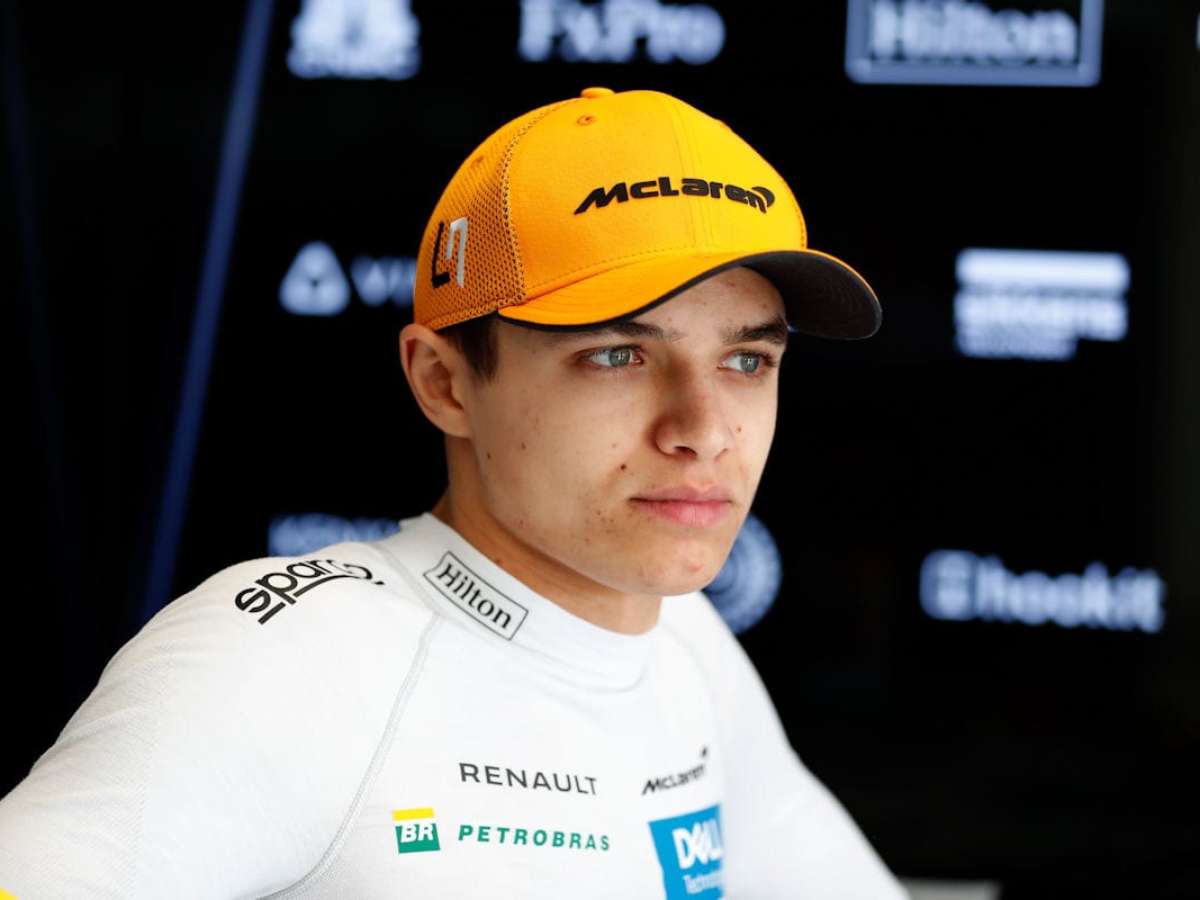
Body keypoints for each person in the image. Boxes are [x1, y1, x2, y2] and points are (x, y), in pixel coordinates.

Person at [0, 86, 907, 898]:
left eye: (746, 361)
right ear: (443, 382)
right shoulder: (283, 661)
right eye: (617, 355)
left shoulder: (685, 645)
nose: (704, 429)